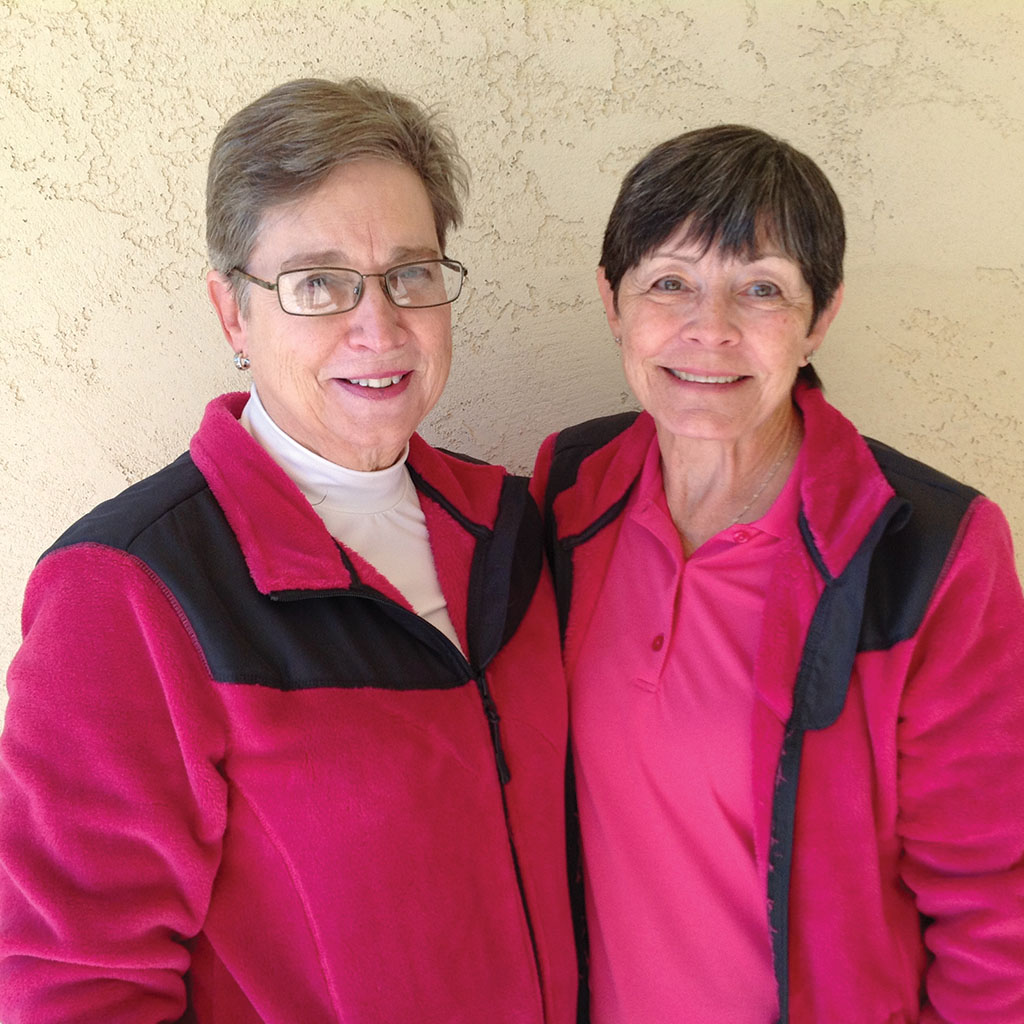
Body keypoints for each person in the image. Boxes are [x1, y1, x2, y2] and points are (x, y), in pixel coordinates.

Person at [0, 78, 576, 1024]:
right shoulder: (130, 589)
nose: (379, 325)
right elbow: (75, 984)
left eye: (411, 273)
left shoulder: (511, 525)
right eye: (318, 282)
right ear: (234, 315)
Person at [533, 125, 1024, 1023]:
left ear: (820, 317)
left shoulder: (928, 548)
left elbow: (994, 900)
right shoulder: (568, 490)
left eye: (760, 290)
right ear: (612, 302)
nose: (708, 330)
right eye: (670, 282)